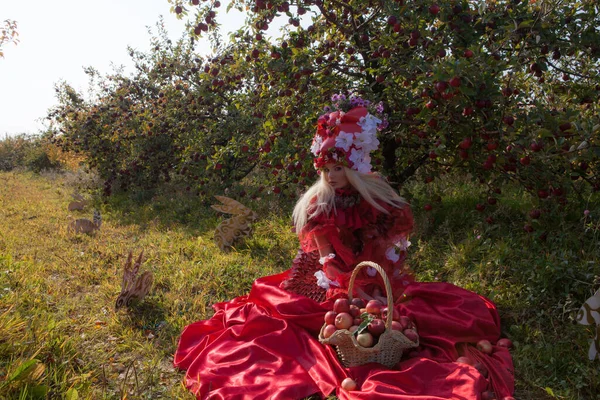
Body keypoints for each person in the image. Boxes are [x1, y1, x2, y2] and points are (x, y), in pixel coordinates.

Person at [174, 94, 515, 400]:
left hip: (372, 277)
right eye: (327, 170)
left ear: (354, 168)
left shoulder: (376, 200)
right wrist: (341, 284)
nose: (332, 176)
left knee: (402, 310)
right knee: (302, 314)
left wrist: (380, 287)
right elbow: (325, 257)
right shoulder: (321, 205)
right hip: (335, 280)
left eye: (338, 168)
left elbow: (389, 248)